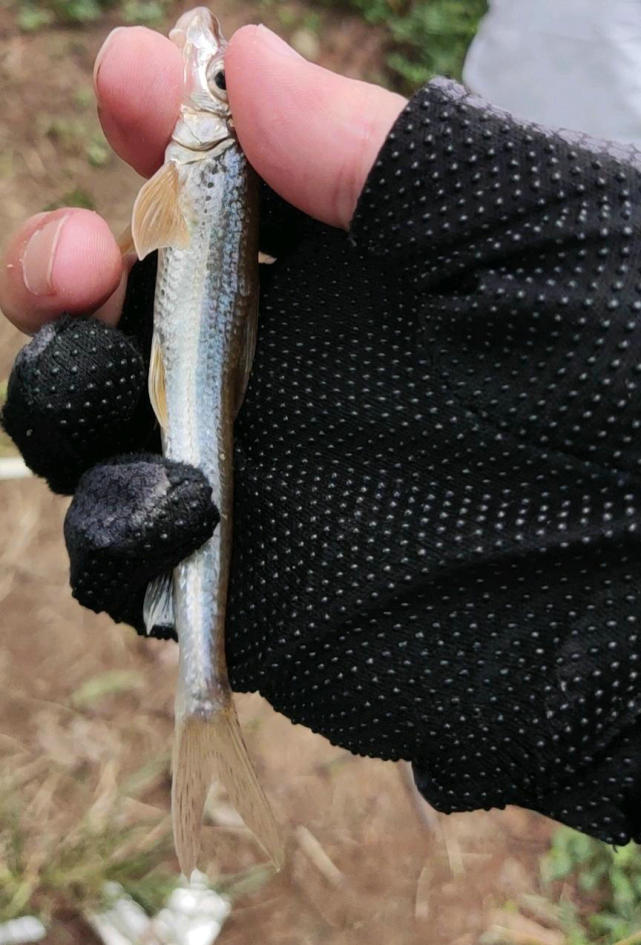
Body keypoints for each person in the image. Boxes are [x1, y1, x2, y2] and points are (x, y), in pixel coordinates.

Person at [2, 23, 641, 847]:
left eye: (224, 84)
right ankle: (205, 690)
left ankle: (207, 694)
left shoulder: (210, 161)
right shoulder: (208, 166)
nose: (213, 70)